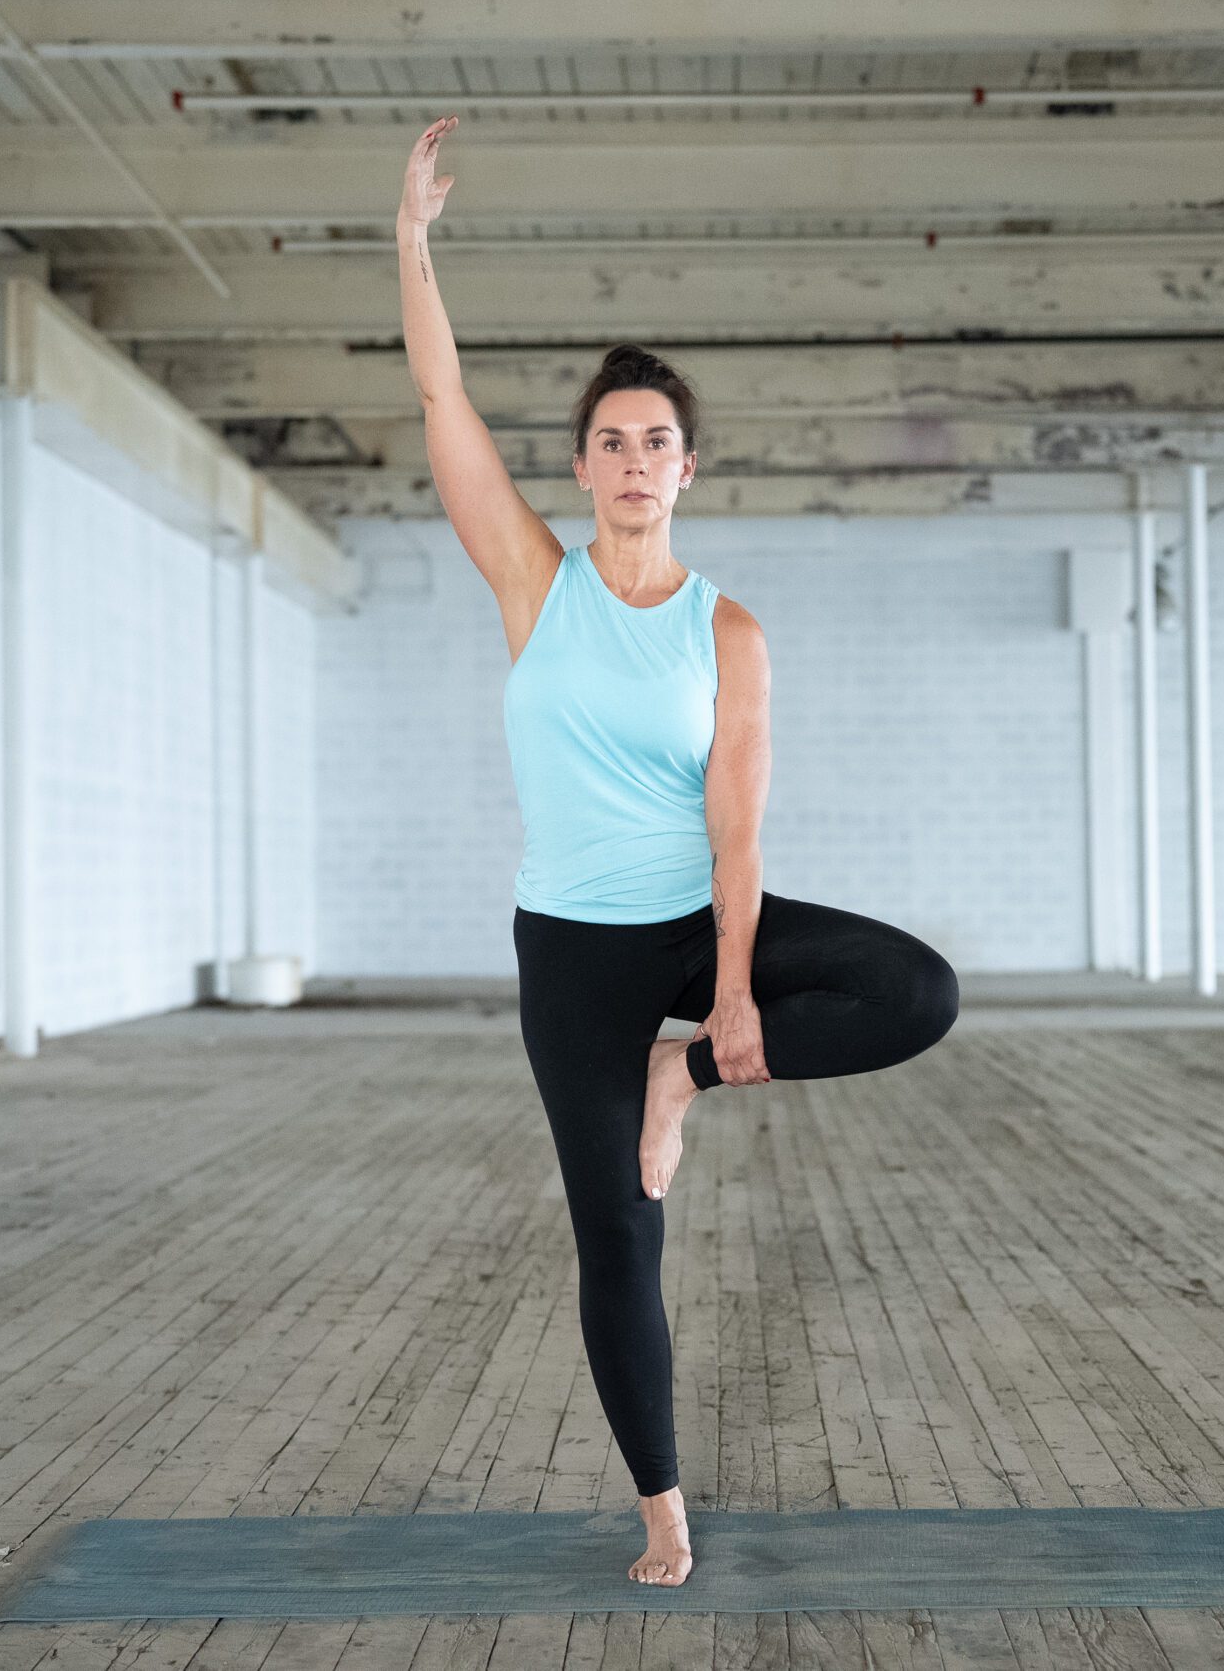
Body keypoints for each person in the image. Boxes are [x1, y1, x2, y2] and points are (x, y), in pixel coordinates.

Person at [396, 115, 960, 1588]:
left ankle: (678, 1077)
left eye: (657, 442)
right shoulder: (534, 581)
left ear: (688, 468)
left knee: (918, 992)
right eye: (610, 441)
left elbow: (738, 823)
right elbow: (441, 394)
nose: (633, 460)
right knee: (618, 1235)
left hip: (695, 918)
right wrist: (412, 245)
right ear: (580, 467)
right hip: (571, 950)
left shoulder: (730, 631)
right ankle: (662, 1508)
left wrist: (723, 1013)